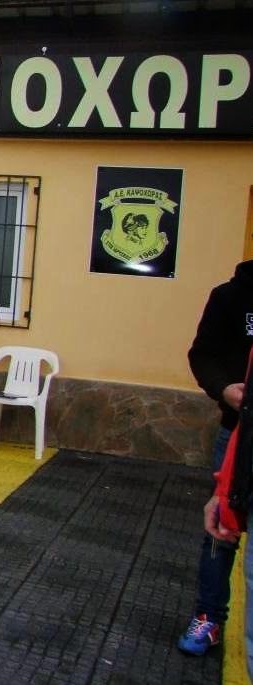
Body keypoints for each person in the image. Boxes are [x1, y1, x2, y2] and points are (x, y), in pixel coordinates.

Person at [179, 259, 253, 656]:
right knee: (222, 527)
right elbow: (202, 355)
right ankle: (208, 617)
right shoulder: (230, 297)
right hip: (239, 434)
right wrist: (224, 388)